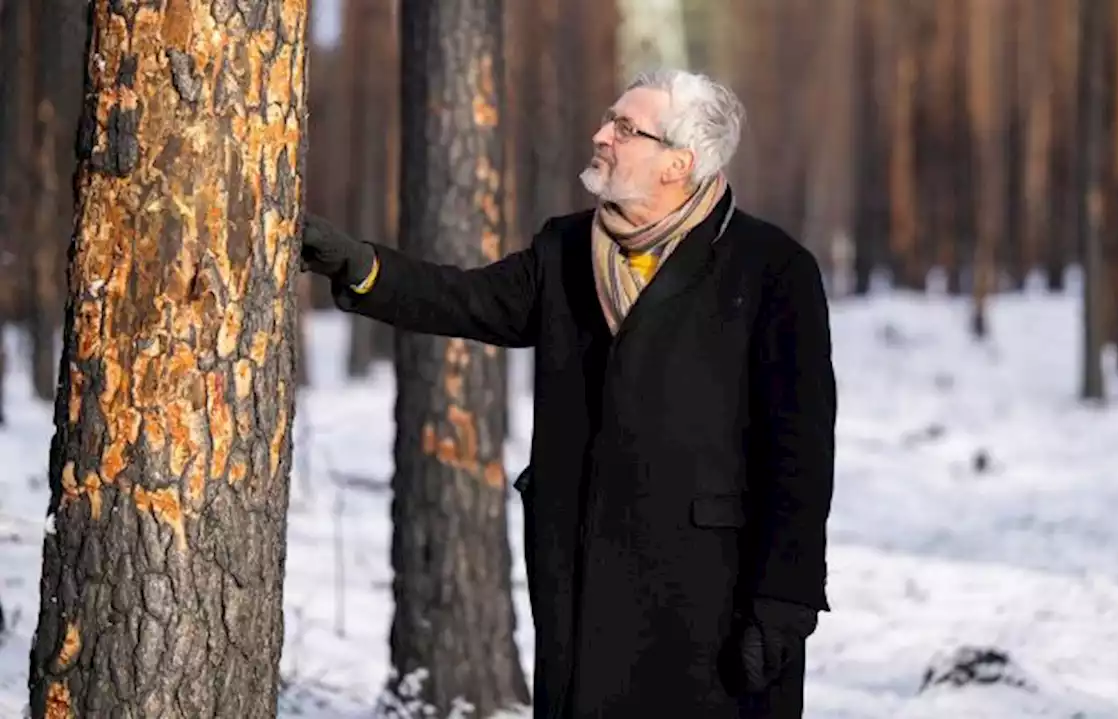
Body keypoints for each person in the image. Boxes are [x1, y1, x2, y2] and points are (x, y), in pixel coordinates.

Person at [301, 68, 836, 719]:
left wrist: (786, 602)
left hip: (712, 595)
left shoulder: (771, 267)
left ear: (679, 161)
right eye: (609, 120)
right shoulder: (565, 249)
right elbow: (468, 300)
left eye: (624, 127)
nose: (600, 134)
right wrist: (362, 266)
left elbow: (800, 450)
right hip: (582, 576)